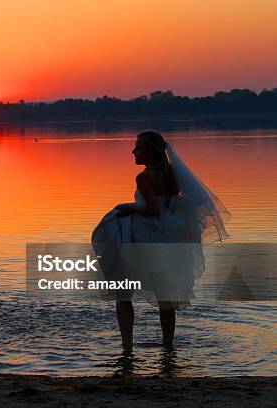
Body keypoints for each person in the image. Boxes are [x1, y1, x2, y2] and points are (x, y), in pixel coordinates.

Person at [91, 130, 230, 349]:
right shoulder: (173, 173)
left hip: (146, 234)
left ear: (152, 152)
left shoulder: (144, 177)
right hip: (171, 233)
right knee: (166, 296)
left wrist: (128, 207)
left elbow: (153, 209)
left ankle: (127, 347)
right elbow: (177, 203)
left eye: (138, 148)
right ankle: (168, 347)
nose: (133, 151)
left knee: (122, 291)